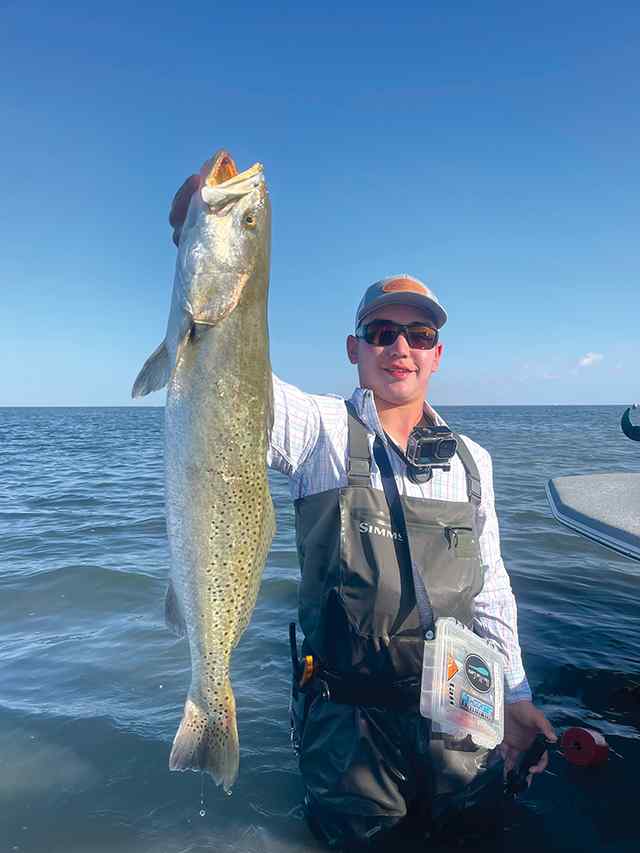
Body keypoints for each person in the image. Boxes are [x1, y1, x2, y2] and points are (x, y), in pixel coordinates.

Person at [169, 181, 556, 850]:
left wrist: (517, 692)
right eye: (381, 332)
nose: (399, 345)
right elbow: (229, 385)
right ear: (356, 349)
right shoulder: (319, 430)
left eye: (419, 332)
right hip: (347, 733)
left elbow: (491, 588)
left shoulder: (473, 463)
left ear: (437, 353)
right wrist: (197, 233)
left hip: (465, 716)